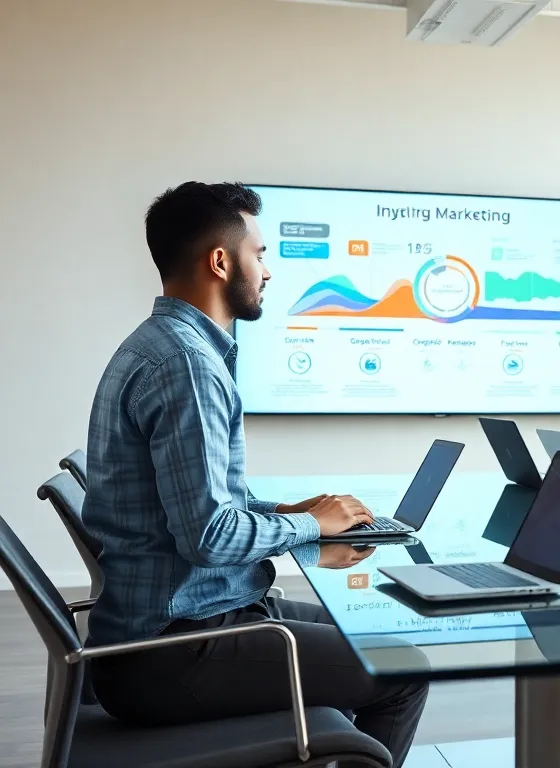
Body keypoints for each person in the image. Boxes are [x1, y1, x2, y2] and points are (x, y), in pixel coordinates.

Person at [82, 182, 428, 766]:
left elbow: (206, 505)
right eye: (259, 254)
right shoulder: (187, 366)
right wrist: (312, 528)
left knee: (370, 639)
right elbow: (208, 536)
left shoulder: (166, 347)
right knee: (404, 671)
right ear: (221, 261)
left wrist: (293, 516)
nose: (267, 271)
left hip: (185, 621)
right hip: (175, 650)